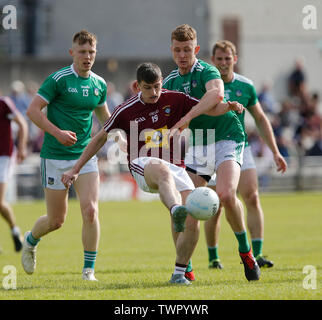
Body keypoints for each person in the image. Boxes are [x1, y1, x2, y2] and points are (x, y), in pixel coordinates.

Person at [61, 62, 244, 285]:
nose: (154, 92)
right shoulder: (125, 110)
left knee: (193, 217)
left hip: (177, 166)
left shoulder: (175, 99)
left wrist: (228, 106)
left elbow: (209, 107)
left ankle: (179, 273)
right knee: (164, 173)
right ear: (137, 86)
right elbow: (99, 138)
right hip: (143, 164)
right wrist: (75, 168)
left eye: (157, 86)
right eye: (148, 88)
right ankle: (175, 208)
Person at [163, 24, 260, 282]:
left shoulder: (208, 70)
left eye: (187, 49)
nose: (182, 55)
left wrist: (188, 117)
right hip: (200, 143)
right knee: (185, 209)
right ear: (171, 50)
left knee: (227, 195)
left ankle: (246, 253)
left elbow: (215, 95)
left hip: (227, 136)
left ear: (195, 49)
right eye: (177, 50)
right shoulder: (171, 81)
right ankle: (185, 268)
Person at [21, 30, 110, 281]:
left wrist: (119, 135)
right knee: (56, 220)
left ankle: (88, 271)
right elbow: (33, 110)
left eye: (91, 52)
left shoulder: (99, 84)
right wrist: (57, 132)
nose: (87, 56)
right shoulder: (58, 79)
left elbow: (105, 117)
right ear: (72, 53)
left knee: (90, 210)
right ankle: (30, 240)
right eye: (82, 52)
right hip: (55, 156)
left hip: (85, 157)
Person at [206, 40, 288, 269]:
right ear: (213, 60)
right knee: (215, 204)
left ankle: (257, 254)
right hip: (208, 147)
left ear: (235, 59)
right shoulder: (207, 85)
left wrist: (275, 151)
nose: (223, 63)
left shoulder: (246, 86)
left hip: (238, 146)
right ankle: (213, 257)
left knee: (251, 196)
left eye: (227, 58)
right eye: (219, 59)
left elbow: (261, 118)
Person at [0, 95, 28, 252]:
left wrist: (22, 147)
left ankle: (14, 230)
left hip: (4, 157)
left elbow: (22, 124)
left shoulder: (4, 103)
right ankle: (15, 232)